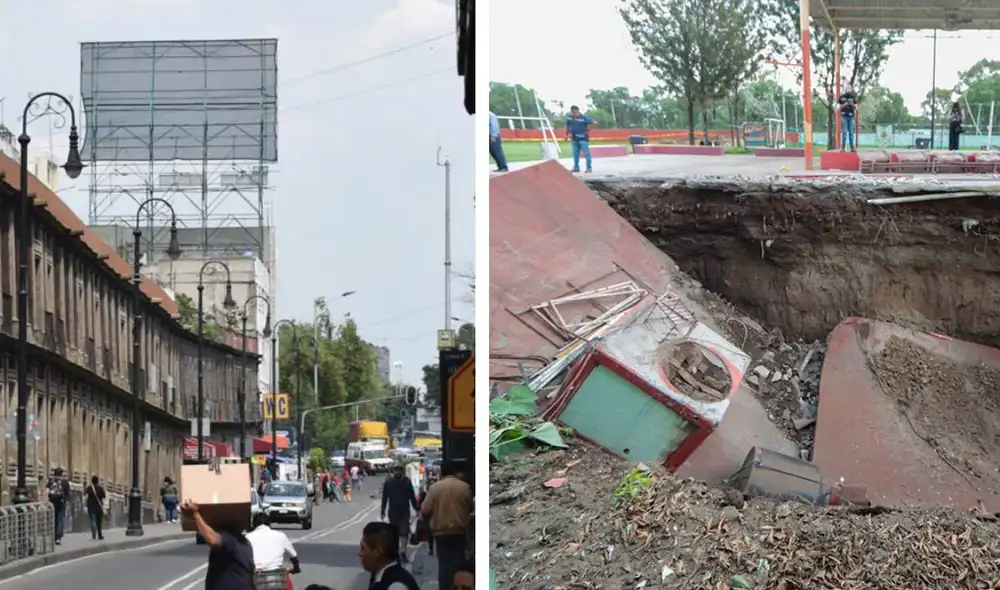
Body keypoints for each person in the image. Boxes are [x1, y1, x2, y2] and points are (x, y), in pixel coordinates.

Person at [421, 461, 473, 590]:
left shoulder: (435, 488)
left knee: (444, 566)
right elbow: (470, 508)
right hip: (460, 532)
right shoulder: (464, 487)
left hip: (441, 533)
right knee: (459, 564)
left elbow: (425, 510)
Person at [181, 499, 255, 590]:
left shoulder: (230, 538)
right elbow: (252, 574)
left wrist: (195, 514)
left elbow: (212, 540)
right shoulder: (245, 543)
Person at [358, 521, 421, 590]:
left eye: (363, 548)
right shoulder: (379, 576)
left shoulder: (396, 586)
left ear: (379, 550)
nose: (360, 554)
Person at [245, 512, 301, 590]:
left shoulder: (247, 537)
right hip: (277, 578)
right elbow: (294, 556)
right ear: (269, 523)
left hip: (256, 578)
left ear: (254, 524)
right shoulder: (280, 535)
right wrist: (296, 568)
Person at [380, 465, 420, 563]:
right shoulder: (393, 483)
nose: (397, 472)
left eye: (398, 470)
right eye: (396, 470)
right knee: (398, 533)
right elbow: (385, 498)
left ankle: (402, 552)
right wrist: (382, 511)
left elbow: (412, 496)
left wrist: (417, 509)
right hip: (396, 511)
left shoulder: (397, 483)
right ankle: (399, 552)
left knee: (403, 533)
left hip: (402, 511)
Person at [565, 105, 598, 174]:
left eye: (575, 112)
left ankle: (589, 168)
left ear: (578, 111)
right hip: (574, 139)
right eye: (572, 112)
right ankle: (576, 167)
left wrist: (589, 129)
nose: (574, 114)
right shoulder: (570, 118)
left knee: (587, 154)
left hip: (583, 139)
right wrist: (566, 135)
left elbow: (594, 123)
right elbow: (567, 127)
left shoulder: (584, 118)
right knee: (575, 154)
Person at [45, 467, 71, 545]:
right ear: (61, 473)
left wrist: (46, 501)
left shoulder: (51, 481)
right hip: (61, 502)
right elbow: (68, 494)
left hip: (52, 502)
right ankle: (58, 537)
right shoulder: (65, 482)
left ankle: (54, 535)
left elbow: (46, 491)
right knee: (60, 519)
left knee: (54, 519)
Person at [85, 475, 107, 540]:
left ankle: (93, 532)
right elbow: (104, 496)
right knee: (99, 522)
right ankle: (100, 535)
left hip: (91, 506)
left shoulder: (89, 488)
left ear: (92, 481)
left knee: (93, 520)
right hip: (99, 507)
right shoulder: (100, 488)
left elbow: (85, 494)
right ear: (97, 481)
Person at [837, 85, 858, 152]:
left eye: (850, 89)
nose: (848, 90)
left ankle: (852, 147)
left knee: (851, 132)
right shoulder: (841, 97)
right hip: (844, 116)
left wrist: (852, 105)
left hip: (851, 116)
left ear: (851, 90)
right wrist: (844, 105)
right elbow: (837, 107)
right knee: (844, 132)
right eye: (847, 89)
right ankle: (843, 147)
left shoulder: (853, 97)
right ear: (845, 90)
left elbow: (857, 108)